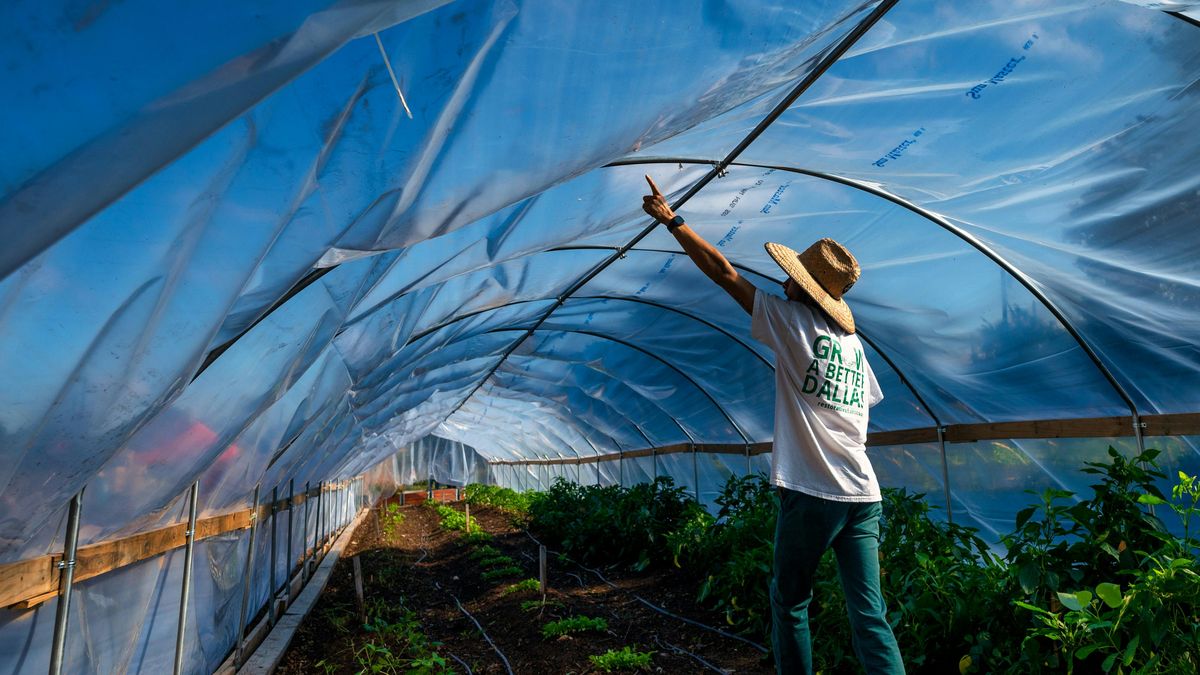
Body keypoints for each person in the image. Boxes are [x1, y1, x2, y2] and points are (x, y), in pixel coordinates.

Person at [641, 175, 903, 674]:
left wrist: (673, 221)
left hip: (814, 489)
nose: (783, 280)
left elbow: (722, 273)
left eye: (793, 276)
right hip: (864, 493)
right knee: (870, 615)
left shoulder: (790, 321)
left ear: (803, 288)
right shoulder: (854, 347)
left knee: (789, 600)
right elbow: (864, 407)